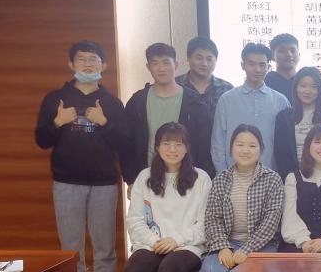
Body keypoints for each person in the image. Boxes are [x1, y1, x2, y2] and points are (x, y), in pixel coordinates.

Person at [34, 40, 130, 272]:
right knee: (70, 249)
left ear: (103, 65)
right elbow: (41, 140)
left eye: (94, 59)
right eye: (82, 59)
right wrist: (57, 122)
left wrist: (104, 122)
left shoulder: (112, 103)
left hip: (104, 184)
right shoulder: (55, 99)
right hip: (66, 183)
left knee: (105, 247)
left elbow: (124, 142)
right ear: (71, 64)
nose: (88, 64)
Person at [122, 123, 211, 272]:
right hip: (151, 244)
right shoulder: (144, 177)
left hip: (187, 245)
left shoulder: (201, 178)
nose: (172, 149)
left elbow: (206, 223)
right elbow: (135, 220)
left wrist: (176, 240)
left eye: (178, 144)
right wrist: (155, 241)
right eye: (166, 144)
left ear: (187, 148)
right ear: (157, 147)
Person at [200, 125, 284, 272]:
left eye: (252, 145)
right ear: (231, 148)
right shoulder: (220, 180)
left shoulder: (272, 179)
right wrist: (223, 247)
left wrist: (247, 250)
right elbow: (213, 218)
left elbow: (271, 221)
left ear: (261, 149)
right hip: (229, 242)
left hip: (263, 244)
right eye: (240, 145)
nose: (245, 150)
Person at [124, 43, 213, 185]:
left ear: (176, 65)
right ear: (148, 67)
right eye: (155, 63)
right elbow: (128, 143)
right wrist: (131, 180)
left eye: (166, 62)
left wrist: (201, 180)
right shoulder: (137, 101)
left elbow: (204, 145)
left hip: (186, 178)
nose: (161, 68)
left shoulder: (195, 102)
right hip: (146, 177)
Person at [210, 43, 290, 173]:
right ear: (243, 65)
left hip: (271, 177)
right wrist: (224, 175)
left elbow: (287, 144)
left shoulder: (281, 101)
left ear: (268, 67)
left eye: (262, 65)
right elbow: (217, 142)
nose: (257, 69)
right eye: (251, 64)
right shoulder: (227, 99)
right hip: (233, 176)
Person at [279, 123, 321, 253]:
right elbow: (289, 217)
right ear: (308, 146)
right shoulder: (293, 178)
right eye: (317, 142)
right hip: (298, 243)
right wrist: (304, 242)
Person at [273, 66, 321, 180]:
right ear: (295, 88)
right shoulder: (284, 117)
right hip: (292, 177)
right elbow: (280, 153)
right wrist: (292, 178)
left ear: (320, 90)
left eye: (313, 87)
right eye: (303, 86)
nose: (307, 91)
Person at [175, 37, 233, 123]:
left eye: (209, 59)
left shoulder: (226, 89)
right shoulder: (176, 85)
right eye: (199, 58)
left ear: (216, 60)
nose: (204, 64)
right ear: (188, 57)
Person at [264, 33, 300, 105]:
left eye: (293, 50)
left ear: (299, 54)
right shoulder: (265, 83)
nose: (289, 54)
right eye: (282, 51)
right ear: (272, 56)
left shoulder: (305, 82)